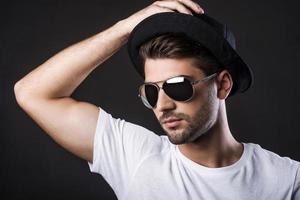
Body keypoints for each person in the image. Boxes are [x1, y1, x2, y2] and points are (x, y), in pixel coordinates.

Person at [14, 0, 299, 199]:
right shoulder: (135, 157)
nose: (162, 105)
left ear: (222, 85)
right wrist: (124, 28)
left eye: (177, 86)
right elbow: (31, 93)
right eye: (151, 91)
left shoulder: (286, 182)